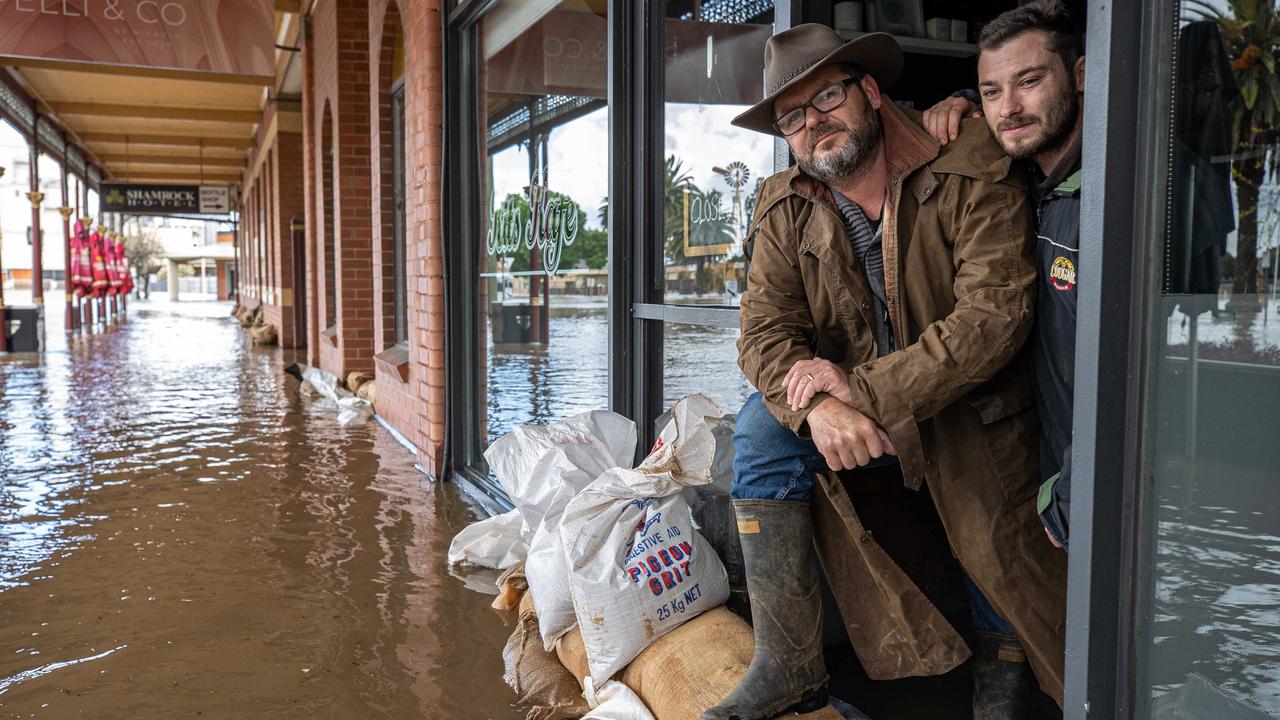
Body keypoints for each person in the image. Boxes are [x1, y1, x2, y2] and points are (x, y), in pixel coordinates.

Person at [704, 22, 1067, 720]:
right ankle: (789, 662)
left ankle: (1005, 660)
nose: (814, 123)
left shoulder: (968, 158)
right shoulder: (785, 202)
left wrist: (861, 391)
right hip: (856, 415)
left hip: (965, 401)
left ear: (870, 92)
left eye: (827, 97)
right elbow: (763, 334)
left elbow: (994, 316)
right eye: (792, 117)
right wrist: (818, 409)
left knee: (984, 485)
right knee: (758, 431)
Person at [923, 0, 1084, 551]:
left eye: (1030, 81)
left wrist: (1076, 493)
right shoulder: (1036, 183)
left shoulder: (1118, 195)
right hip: (1052, 482)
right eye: (992, 91)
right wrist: (967, 103)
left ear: (1082, 74)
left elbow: (1147, 380)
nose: (1009, 109)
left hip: (1101, 495)